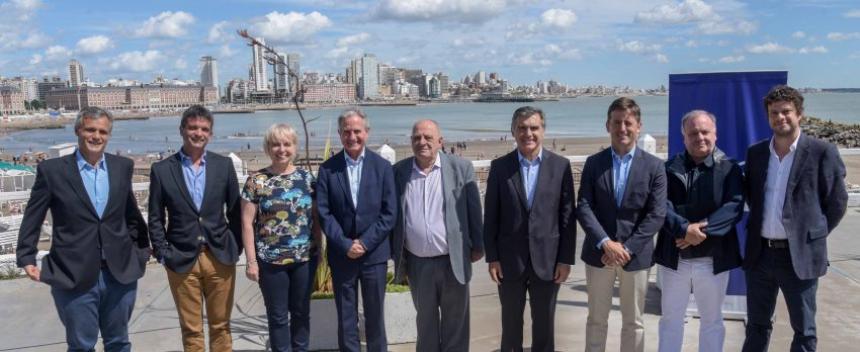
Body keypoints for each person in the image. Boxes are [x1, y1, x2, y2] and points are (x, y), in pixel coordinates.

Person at [16, 107, 149, 352]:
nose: (96, 136)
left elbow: (131, 216)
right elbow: (32, 218)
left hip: (119, 274)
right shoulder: (53, 171)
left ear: (108, 135)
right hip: (73, 274)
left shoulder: (122, 167)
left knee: (119, 342)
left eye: (102, 131)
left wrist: (141, 253)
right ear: (78, 130)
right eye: (90, 129)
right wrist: (25, 256)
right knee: (81, 345)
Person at [742, 85, 847, 352]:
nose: (780, 118)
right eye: (774, 113)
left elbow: (836, 202)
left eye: (786, 112)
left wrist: (811, 234)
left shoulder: (822, 152)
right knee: (756, 326)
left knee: (804, 330)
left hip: (798, 256)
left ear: (799, 114)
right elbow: (753, 199)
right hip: (760, 256)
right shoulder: (756, 154)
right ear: (768, 117)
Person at [148, 105, 242, 352]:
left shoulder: (223, 166)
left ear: (210, 134)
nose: (198, 133)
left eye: (204, 129)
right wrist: (163, 253)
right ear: (182, 130)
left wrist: (235, 247)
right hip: (181, 259)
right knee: (191, 329)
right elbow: (155, 217)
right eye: (193, 128)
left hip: (219, 257)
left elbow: (234, 211)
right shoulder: (162, 170)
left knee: (221, 325)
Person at [483, 106, 576, 352]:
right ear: (513, 132)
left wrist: (565, 260)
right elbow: (491, 216)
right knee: (511, 326)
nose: (528, 134)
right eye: (522, 128)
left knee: (544, 326)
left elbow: (567, 218)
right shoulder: (500, 167)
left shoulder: (560, 166)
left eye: (534, 128)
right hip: (509, 261)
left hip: (548, 261)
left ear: (543, 131)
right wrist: (492, 257)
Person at [578, 97, 667, 352]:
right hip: (599, 255)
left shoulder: (654, 167)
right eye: (617, 122)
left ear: (639, 126)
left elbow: (656, 214)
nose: (622, 129)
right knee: (596, 320)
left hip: (635, 257)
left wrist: (625, 249)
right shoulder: (594, 163)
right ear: (608, 126)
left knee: (634, 322)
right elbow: (584, 206)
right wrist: (606, 244)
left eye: (628, 123)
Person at [654, 110, 744, 352]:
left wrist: (696, 233)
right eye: (693, 133)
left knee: (712, 322)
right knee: (671, 321)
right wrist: (683, 229)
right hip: (675, 259)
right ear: (684, 137)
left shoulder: (730, 169)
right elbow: (660, 205)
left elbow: (733, 208)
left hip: (713, 259)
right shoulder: (667, 168)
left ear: (715, 134)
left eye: (705, 132)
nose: (700, 137)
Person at [391, 119, 484, 352]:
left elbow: (474, 211)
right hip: (417, 264)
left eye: (427, 137)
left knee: (456, 326)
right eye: (416, 138)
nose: (421, 142)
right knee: (425, 325)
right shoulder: (399, 172)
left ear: (440, 142)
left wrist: (478, 246)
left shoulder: (461, 168)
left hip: (453, 261)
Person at [316, 108, 396, 352]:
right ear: (340, 134)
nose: (352, 136)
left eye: (357, 131)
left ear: (367, 133)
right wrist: (345, 244)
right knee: (346, 318)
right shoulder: (328, 169)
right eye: (347, 131)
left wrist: (365, 243)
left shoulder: (382, 167)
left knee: (375, 317)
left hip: (374, 256)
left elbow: (389, 212)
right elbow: (324, 212)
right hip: (342, 256)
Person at [241, 123, 321, 352]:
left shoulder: (307, 180)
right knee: (277, 317)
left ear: (294, 147)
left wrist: (321, 250)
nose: (281, 149)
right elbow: (247, 223)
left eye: (287, 144)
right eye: (276, 144)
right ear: (268, 147)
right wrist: (251, 261)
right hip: (270, 262)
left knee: (301, 313)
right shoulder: (256, 181)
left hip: (304, 259)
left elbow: (315, 219)